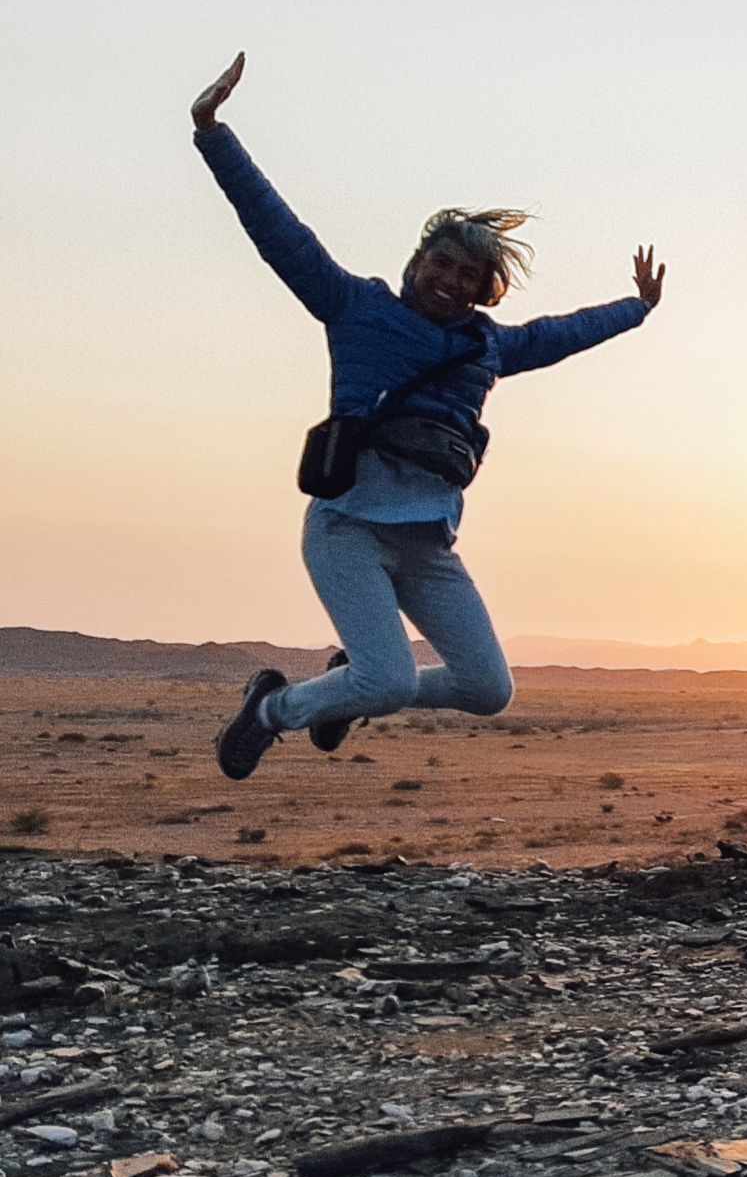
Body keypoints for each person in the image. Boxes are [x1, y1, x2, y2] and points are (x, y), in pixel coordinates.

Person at [192, 54, 664, 782]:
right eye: (440, 263)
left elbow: (561, 333)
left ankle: (346, 690)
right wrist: (214, 135)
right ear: (417, 263)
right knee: (390, 680)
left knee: (487, 688)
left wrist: (636, 310)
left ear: (485, 291)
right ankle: (272, 709)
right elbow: (280, 233)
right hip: (347, 525)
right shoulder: (357, 308)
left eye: (468, 275)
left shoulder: (486, 348)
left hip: (428, 545)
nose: (449, 280)